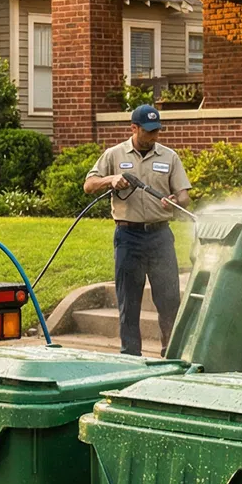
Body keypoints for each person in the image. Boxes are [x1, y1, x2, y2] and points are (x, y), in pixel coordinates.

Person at [83, 104, 192, 357]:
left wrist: (175, 201)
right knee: (128, 303)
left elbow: (184, 195)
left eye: (157, 131)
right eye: (149, 131)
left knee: (169, 301)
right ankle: (130, 357)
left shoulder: (169, 157)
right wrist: (110, 180)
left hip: (160, 236)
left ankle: (171, 354)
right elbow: (88, 185)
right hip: (128, 237)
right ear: (134, 128)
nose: (154, 136)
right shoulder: (114, 154)